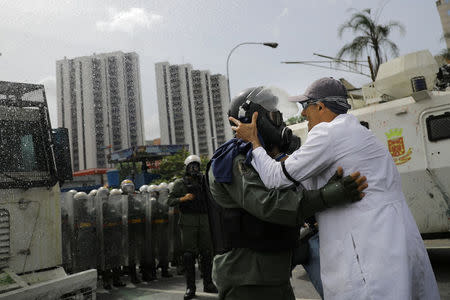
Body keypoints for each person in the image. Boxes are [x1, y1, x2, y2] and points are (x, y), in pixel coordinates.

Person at [230, 78, 440, 299]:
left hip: (368, 253)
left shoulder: (328, 134)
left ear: (320, 106)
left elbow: (275, 178)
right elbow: (307, 179)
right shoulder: (357, 132)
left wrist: (254, 141)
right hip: (392, 243)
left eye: (305, 106)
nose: (303, 115)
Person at [207, 86, 367, 300]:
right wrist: (326, 196)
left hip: (274, 275)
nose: (280, 123)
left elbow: (292, 186)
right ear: (252, 118)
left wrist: (324, 186)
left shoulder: (265, 160)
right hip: (246, 278)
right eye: (274, 116)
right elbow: (268, 204)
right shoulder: (234, 160)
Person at [168, 155, 218, 300]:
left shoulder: (205, 181)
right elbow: (169, 200)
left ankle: (208, 284)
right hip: (188, 221)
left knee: (207, 253)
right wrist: (183, 198)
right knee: (189, 255)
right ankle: (190, 287)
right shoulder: (180, 183)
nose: (194, 169)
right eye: (191, 166)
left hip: (204, 220)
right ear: (187, 167)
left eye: (196, 166)